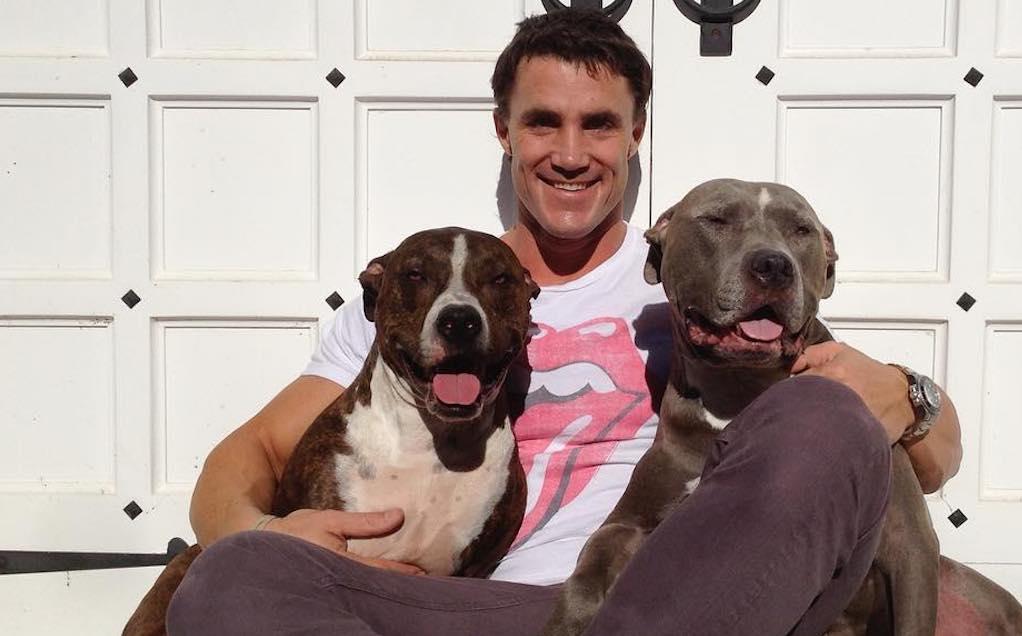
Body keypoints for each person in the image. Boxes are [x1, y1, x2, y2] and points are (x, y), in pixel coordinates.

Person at [167, 9, 962, 635]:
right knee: (232, 577)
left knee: (823, 416)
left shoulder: (697, 285)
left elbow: (931, 457)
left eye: (600, 125)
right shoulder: (417, 301)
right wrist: (265, 531)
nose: (571, 153)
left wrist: (906, 394)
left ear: (636, 135)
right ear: (503, 130)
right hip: (500, 610)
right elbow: (242, 459)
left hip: (676, 599)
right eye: (543, 122)